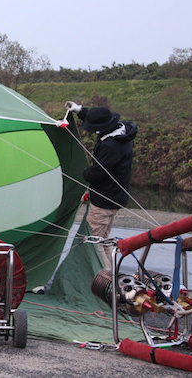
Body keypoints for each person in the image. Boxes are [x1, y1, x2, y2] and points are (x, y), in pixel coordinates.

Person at [66, 102, 138, 269]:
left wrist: (79, 173)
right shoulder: (120, 131)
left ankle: (106, 281)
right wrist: (79, 110)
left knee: (94, 240)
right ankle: (112, 275)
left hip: (105, 199)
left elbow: (98, 173)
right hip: (116, 197)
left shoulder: (111, 146)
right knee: (104, 240)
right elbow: (98, 117)